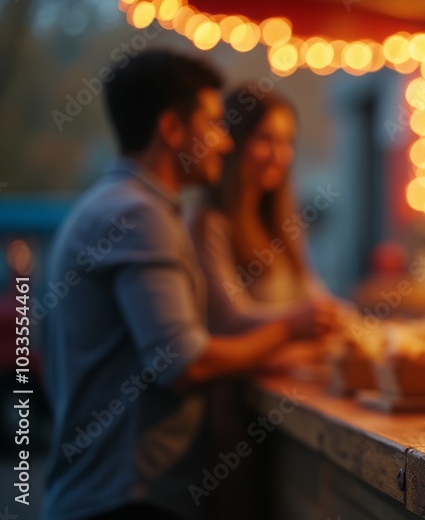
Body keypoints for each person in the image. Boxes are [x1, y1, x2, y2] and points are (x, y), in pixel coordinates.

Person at [42, 50, 335, 520]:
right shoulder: (138, 216)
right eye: (215, 124)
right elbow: (185, 364)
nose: (224, 142)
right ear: (172, 130)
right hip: (126, 498)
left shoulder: (119, 205)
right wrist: (287, 329)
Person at [186, 85, 346, 519]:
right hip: (233, 416)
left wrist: (348, 322)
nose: (280, 154)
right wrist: (298, 327)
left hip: (284, 409)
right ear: (233, 142)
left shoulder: (280, 226)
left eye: (287, 142)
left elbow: (315, 296)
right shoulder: (208, 224)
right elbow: (230, 320)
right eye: (266, 139)